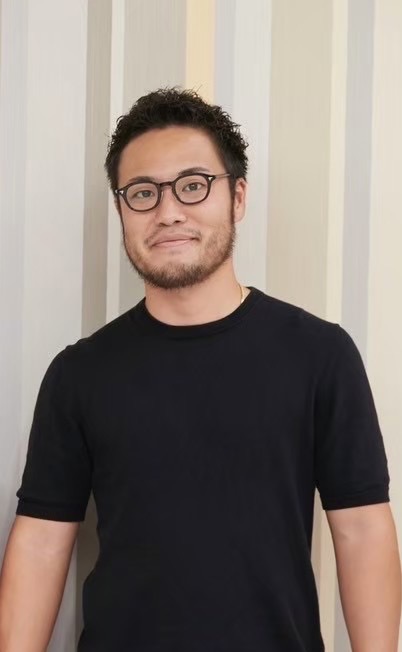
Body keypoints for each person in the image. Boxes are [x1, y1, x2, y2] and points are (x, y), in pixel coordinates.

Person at [0, 87, 400, 652]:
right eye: (143, 193)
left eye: (193, 185)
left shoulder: (320, 354)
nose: (168, 212)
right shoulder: (79, 374)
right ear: (121, 211)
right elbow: (42, 540)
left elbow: (361, 529)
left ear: (238, 196)